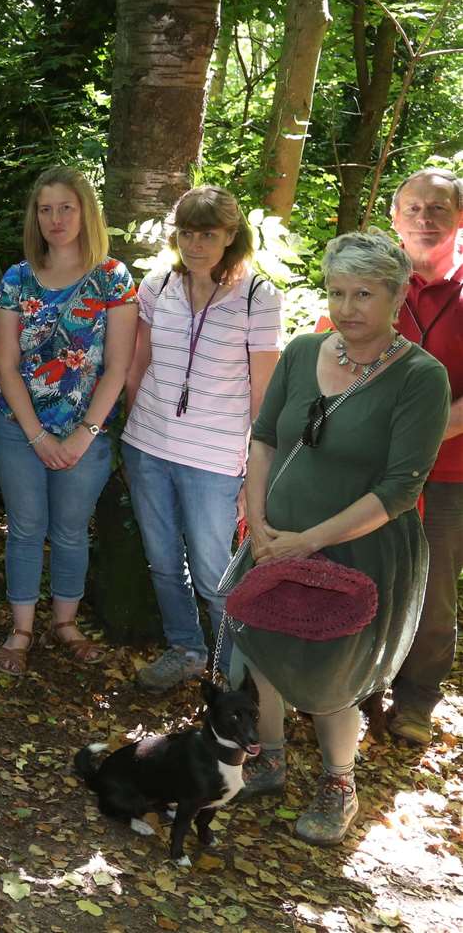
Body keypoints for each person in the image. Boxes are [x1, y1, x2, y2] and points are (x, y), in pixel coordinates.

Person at [233, 232, 449, 846]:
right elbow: (265, 437)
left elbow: (400, 489)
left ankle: (338, 784)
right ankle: (269, 760)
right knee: (265, 654)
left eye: (365, 293)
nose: (349, 306)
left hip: (358, 549)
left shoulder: (419, 377)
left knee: (334, 674)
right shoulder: (302, 352)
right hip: (273, 540)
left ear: (396, 295)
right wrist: (259, 521)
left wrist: (308, 541)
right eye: (337, 291)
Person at [122, 187, 283, 690]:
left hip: (215, 459)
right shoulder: (157, 284)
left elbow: (265, 395)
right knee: (163, 561)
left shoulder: (259, 296)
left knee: (216, 574)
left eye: (208, 234)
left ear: (231, 236)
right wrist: (129, 433)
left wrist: (256, 476)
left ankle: (233, 673)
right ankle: (186, 650)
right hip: (147, 446)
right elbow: (136, 367)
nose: (195, 244)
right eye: (187, 233)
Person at [0, 167, 137, 675]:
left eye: (65, 208)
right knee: (26, 529)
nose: (55, 219)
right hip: (17, 427)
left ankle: (66, 624)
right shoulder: (16, 279)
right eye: (45, 209)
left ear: (85, 213)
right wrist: (34, 434)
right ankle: (22, 628)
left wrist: (83, 434)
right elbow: (5, 363)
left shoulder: (112, 278)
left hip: (87, 433)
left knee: (72, 531)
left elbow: (118, 366)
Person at [385, 168, 463, 746]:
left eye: (438, 208)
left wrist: (419, 436)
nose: (425, 218)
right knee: (370, 575)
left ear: (459, 219)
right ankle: (357, 687)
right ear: (395, 219)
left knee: (432, 591)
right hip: (374, 467)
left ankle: (415, 700)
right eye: (413, 207)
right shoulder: (378, 282)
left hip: (449, 474)